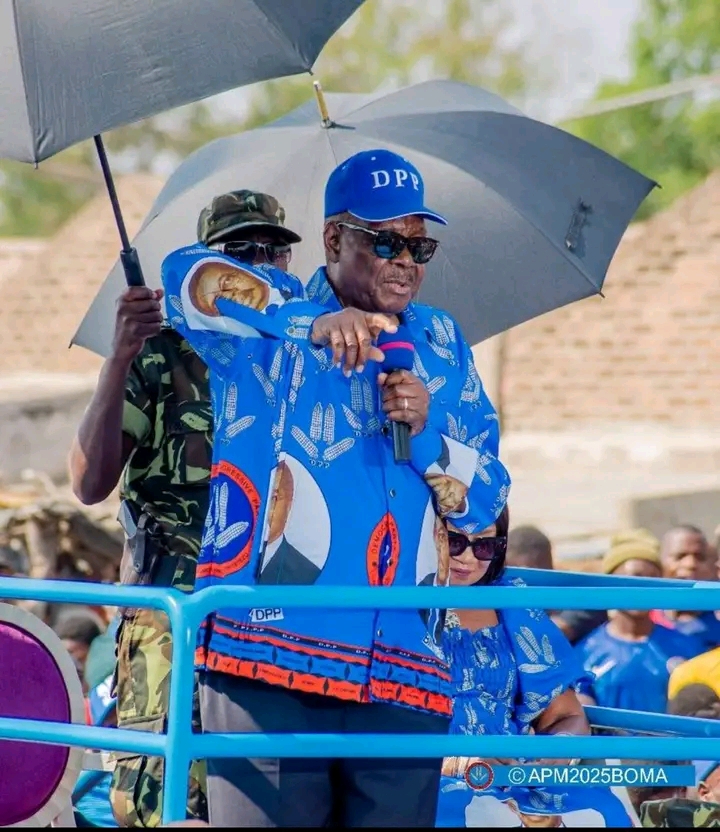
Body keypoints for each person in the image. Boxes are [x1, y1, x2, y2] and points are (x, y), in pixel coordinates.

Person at [160, 147, 510, 827]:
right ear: (332, 239)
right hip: (268, 655)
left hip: (405, 666)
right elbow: (185, 277)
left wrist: (429, 436)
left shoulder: (441, 341)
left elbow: (489, 499)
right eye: (385, 242)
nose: (405, 261)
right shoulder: (267, 322)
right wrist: (310, 324)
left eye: (419, 246)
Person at [68, 190, 302, 828]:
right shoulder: (161, 352)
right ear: (206, 265)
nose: (259, 264)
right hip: (174, 610)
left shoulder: (299, 359)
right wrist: (120, 356)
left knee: (263, 794)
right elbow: (88, 482)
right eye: (239, 251)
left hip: (271, 610)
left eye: (274, 251)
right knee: (163, 796)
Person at [436, 510, 635, 828]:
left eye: (484, 545)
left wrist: (557, 750)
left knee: (602, 809)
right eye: (455, 542)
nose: (468, 558)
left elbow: (565, 715)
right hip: (429, 776)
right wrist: (454, 762)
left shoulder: (513, 606)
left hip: (513, 777)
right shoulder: (391, 609)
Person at [574, 530, 705, 714]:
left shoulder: (688, 647)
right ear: (610, 583)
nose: (643, 587)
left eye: (652, 579)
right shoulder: (585, 652)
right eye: (633, 578)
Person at [652, 526, 720, 651]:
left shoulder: (717, 620)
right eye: (680, 556)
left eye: (700, 557)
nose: (690, 564)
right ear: (660, 563)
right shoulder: (643, 621)